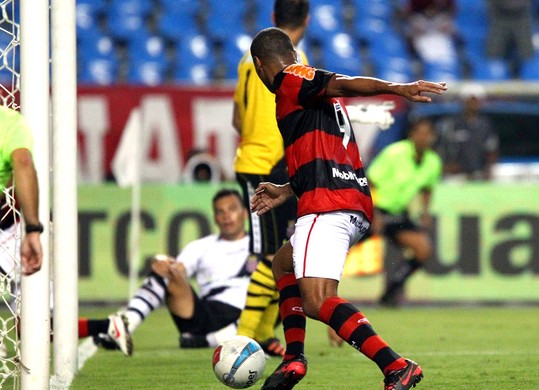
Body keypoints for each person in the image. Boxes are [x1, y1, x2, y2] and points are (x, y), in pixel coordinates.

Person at [248, 27, 447, 389]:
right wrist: (286, 189)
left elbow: (344, 82)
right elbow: (323, 157)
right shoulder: (309, 99)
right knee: (282, 263)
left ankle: (396, 365)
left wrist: (397, 89)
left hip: (327, 205)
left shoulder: (293, 79)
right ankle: (293, 360)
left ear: (260, 65)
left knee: (317, 299)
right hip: (350, 201)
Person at [79, 189, 252, 356]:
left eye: (232, 209)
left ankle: (210, 339)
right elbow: (178, 269)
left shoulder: (260, 246)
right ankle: (127, 324)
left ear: (245, 213)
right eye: (220, 211)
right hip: (203, 314)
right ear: (214, 217)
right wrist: (161, 263)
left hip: (244, 315)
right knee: (167, 270)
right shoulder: (201, 246)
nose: (226, 216)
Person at [231, 0, 308, 357]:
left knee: (277, 252)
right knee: (268, 254)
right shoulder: (297, 62)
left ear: (275, 18)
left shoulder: (251, 58)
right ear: (306, 21)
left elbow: (236, 118)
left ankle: (260, 333)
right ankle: (243, 337)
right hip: (271, 166)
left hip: (257, 160)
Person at [366, 118, 442, 307]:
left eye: (428, 134)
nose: (424, 138)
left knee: (423, 249)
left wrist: (425, 212)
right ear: (412, 135)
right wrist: (373, 214)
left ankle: (390, 292)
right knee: (344, 247)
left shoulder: (433, 162)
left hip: (398, 213)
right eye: (420, 133)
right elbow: (369, 181)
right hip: (374, 211)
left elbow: (427, 188)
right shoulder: (394, 153)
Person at [0, 106, 44, 300]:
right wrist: (33, 228)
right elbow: (23, 162)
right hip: (11, 228)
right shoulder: (9, 122)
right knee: (34, 311)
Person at [434, 83, 498, 181]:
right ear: (463, 101)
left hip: (478, 176)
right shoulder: (451, 124)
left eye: (475, 100)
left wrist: (488, 171)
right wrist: (445, 167)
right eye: (470, 100)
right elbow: (439, 148)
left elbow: (491, 149)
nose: (472, 103)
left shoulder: (485, 125)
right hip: (453, 177)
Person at [485, 0, 534, 76]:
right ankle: (494, 77)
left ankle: (529, 78)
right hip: (500, 16)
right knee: (492, 55)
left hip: (521, 16)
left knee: (528, 56)